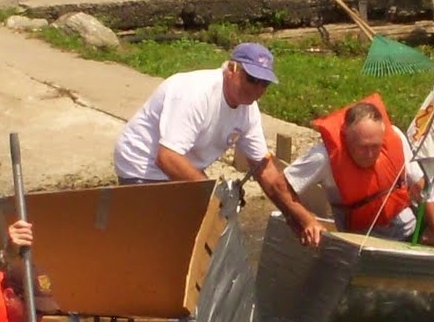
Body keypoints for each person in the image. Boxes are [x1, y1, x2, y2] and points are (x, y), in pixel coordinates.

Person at [113, 43, 321, 247]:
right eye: (252, 79)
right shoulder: (195, 93)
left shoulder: (248, 111)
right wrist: (217, 195)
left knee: (197, 237)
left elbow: (264, 169)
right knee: (159, 242)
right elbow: (167, 157)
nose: (257, 89)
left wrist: (300, 216)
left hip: (184, 165)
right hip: (142, 165)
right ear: (232, 69)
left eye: (264, 84)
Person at [284, 95, 434, 255]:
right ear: (346, 135)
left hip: (411, 228)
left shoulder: (395, 138)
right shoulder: (324, 156)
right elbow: (283, 186)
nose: (370, 154)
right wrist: (307, 220)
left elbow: (421, 189)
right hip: (365, 241)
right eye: (362, 148)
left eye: (376, 146)